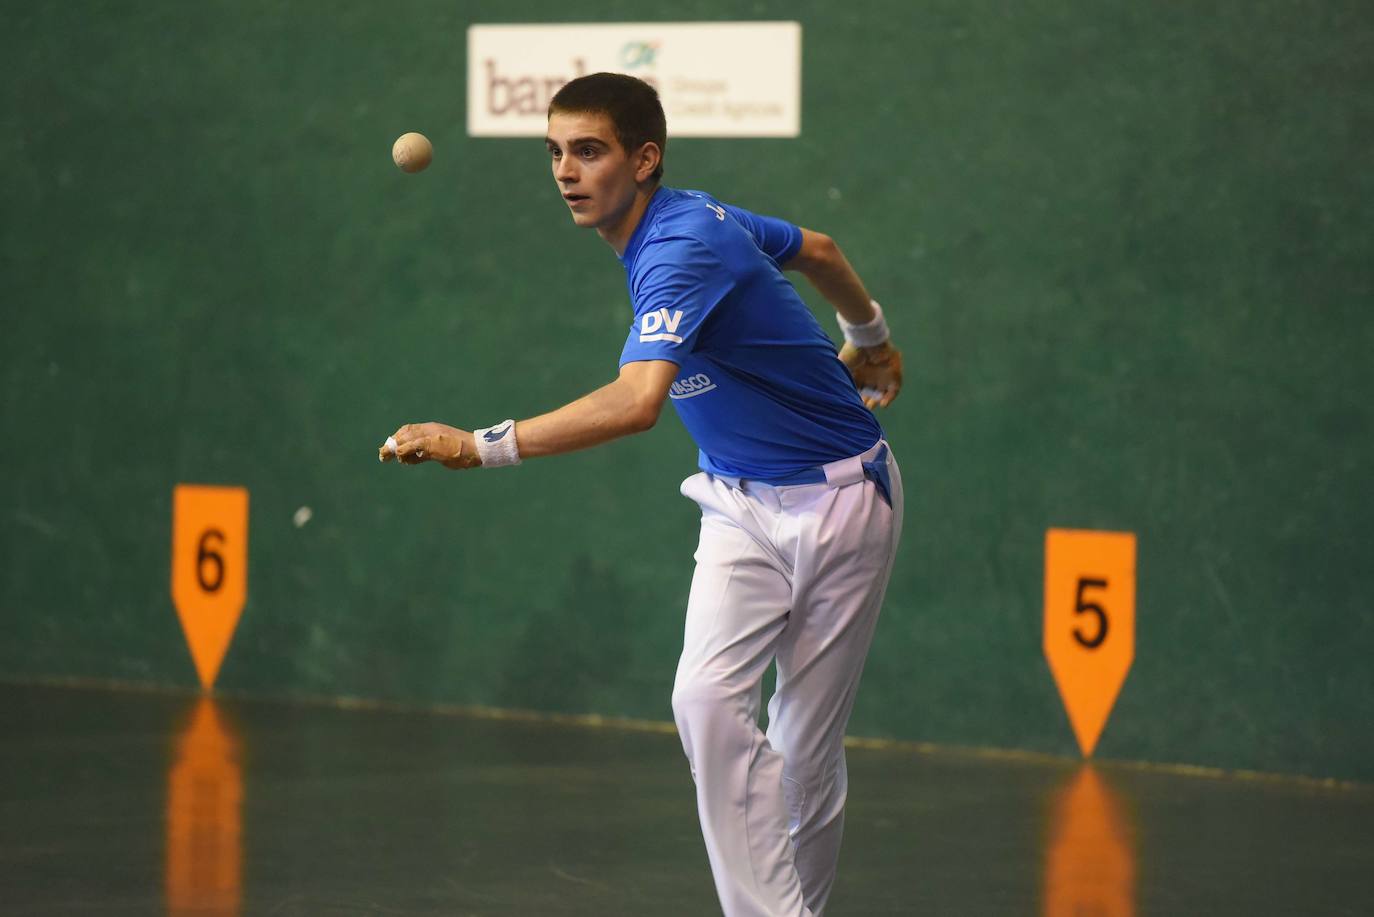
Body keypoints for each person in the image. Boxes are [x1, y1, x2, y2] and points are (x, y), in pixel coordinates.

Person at [381, 72, 904, 917]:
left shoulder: (680, 245)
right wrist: (869, 338)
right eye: (554, 152)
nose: (565, 171)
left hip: (842, 499)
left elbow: (636, 403)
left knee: (805, 741)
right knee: (702, 700)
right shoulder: (696, 220)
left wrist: (479, 447)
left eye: (588, 151)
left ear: (644, 158)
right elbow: (819, 248)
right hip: (738, 501)